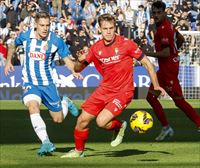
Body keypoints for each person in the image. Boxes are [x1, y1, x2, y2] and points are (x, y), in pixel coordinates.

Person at [61, 13, 166, 158]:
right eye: (105, 28)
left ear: (115, 27)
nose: (109, 31)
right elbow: (78, 69)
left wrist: (156, 85)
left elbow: (147, 63)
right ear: (100, 29)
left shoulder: (126, 44)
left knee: (101, 122)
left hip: (123, 92)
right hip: (105, 89)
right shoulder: (96, 49)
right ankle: (79, 151)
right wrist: (80, 60)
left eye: (111, 28)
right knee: (82, 120)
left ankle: (119, 125)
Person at [4, 11, 82, 156]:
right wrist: (8, 61)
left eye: (47, 25)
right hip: (30, 82)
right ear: (36, 25)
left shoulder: (56, 40)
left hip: (48, 83)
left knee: (58, 119)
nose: (45, 28)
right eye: (42, 25)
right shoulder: (26, 36)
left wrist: (74, 70)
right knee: (32, 107)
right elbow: (12, 45)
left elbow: (66, 59)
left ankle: (64, 102)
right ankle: (46, 142)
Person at [144, 1, 200, 141]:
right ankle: (166, 127)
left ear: (164, 12)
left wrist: (146, 54)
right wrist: (176, 52)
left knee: (179, 101)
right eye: (154, 12)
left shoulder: (163, 28)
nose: (156, 15)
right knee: (151, 97)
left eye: (158, 12)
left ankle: (197, 124)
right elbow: (180, 39)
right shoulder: (168, 24)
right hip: (167, 67)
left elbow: (165, 53)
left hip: (168, 69)